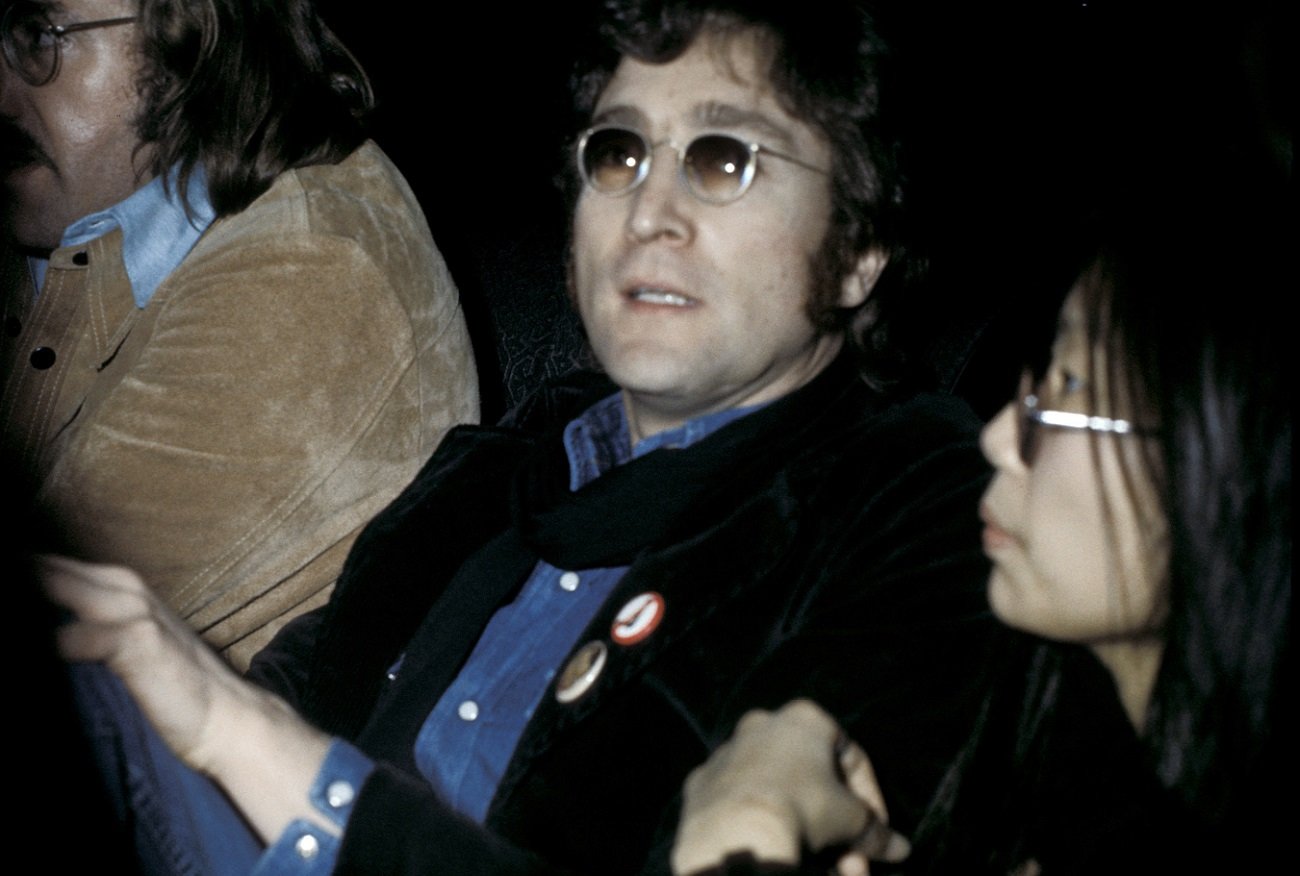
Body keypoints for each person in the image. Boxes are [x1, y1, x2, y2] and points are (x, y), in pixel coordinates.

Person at [41, 0, 1003, 872]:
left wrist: (238, 733)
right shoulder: (504, 465)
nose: (648, 214)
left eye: (723, 162)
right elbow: (304, 683)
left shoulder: (922, 504)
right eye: (617, 155)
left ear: (856, 254)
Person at [670, 190, 1292, 872]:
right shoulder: (1039, 754)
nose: (998, 439)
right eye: (1033, 388)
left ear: (1230, 460)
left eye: (1072, 386)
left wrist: (745, 836)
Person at [1, 0, 479, 666]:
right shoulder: (84, 221)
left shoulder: (310, 270)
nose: (3, 92)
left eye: (35, 37)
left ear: (198, 31)